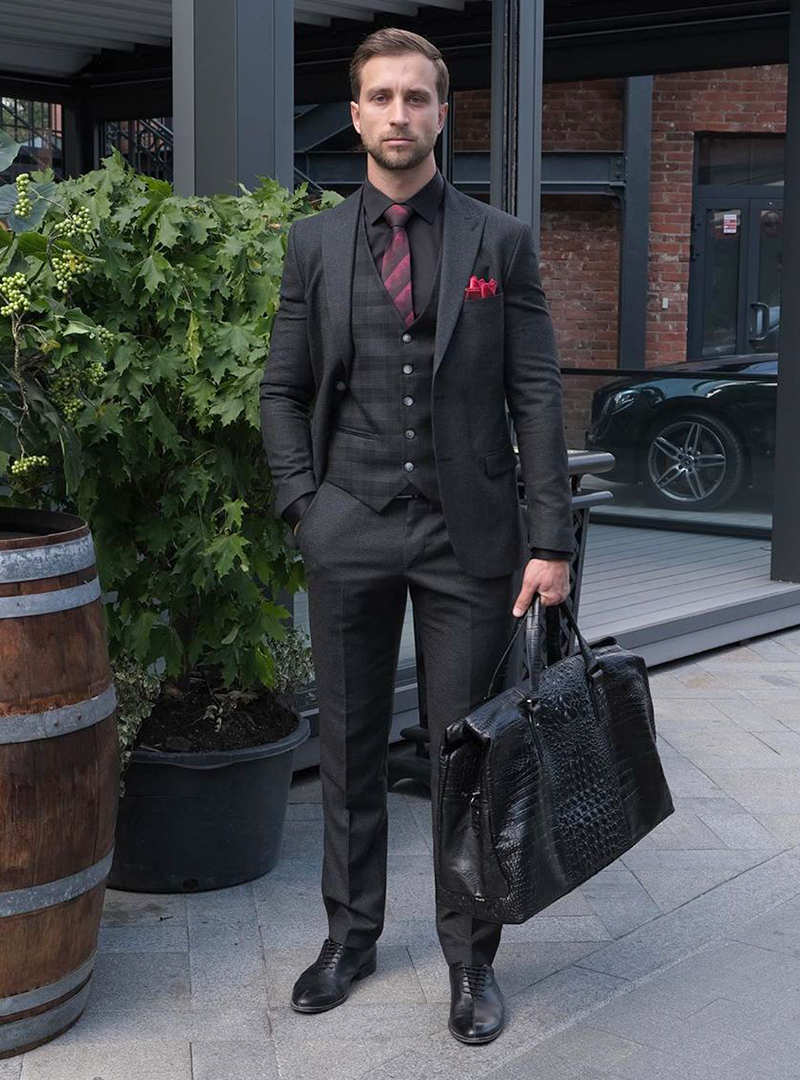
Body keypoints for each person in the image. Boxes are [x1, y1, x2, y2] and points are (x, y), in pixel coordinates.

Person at [259, 26, 573, 1046]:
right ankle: (349, 937)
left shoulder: (500, 241)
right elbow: (282, 390)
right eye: (380, 98)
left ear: (444, 113)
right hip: (346, 526)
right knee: (346, 750)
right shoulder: (311, 246)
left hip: (469, 538)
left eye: (417, 98)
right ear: (353, 115)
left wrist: (548, 540)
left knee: (463, 757)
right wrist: (304, 508)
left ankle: (469, 957)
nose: (398, 115)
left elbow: (534, 393)